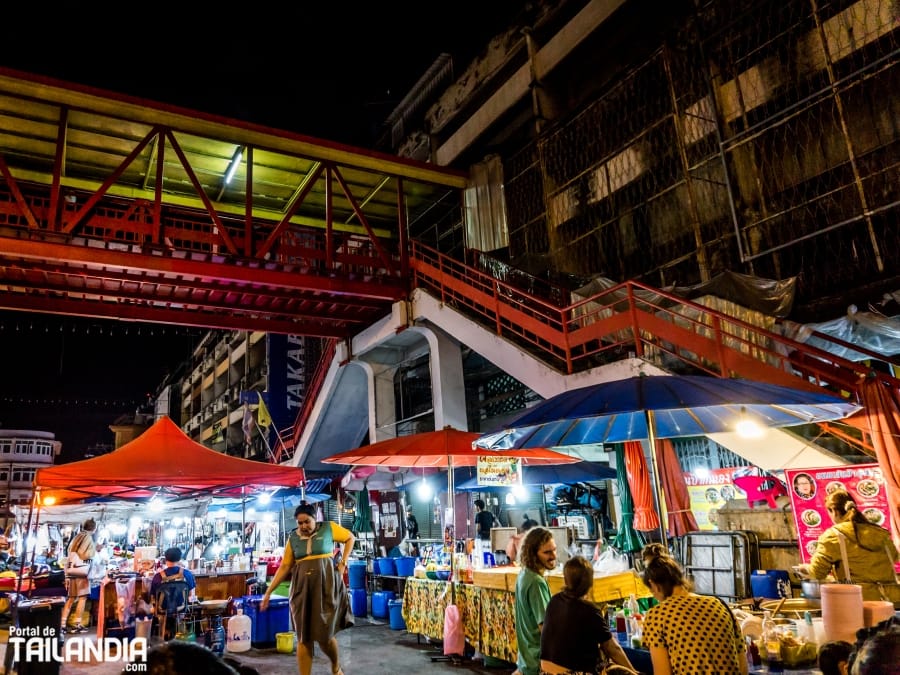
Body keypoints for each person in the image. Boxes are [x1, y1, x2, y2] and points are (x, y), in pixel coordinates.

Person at [260, 503, 355, 675]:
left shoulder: (328, 528)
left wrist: (343, 563)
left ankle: (335, 667)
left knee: (325, 637)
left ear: (315, 518)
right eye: (300, 523)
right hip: (301, 591)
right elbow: (285, 566)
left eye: (307, 522)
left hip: (326, 589)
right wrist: (268, 592)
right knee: (304, 638)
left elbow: (350, 538)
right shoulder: (293, 538)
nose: (303, 526)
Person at [640, 542, 748, 675]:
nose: (655, 597)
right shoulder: (720, 604)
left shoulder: (656, 616)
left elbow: (663, 673)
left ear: (654, 585)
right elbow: (743, 665)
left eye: (652, 592)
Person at [799, 489, 900, 606]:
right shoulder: (880, 533)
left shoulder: (833, 536)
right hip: (890, 602)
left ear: (834, 511)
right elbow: (894, 557)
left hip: (858, 603)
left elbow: (817, 573)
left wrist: (805, 569)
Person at [540, 555, 635, 674]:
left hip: (547, 671)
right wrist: (634, 672)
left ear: (566, 580)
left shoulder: (554, 601)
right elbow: (612, 648)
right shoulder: (590, 610)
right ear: (589, 582)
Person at [513, 526, 557, 675]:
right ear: (532, 554)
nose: (553, 556)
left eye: (554, 550)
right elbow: (546, 629)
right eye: (547, 552)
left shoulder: (524, 574)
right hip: (538, 661)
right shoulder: (536, 582)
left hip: (527, 658)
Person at [61, 517, 97, 634]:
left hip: (72, 569)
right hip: (81, 571)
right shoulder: (87, 537)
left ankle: (62, 624)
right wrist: (93, 551)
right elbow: (83, 553)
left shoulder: (77, 536)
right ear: (93, 528)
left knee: (71, 598)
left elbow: (70, 551)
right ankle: (77, 624)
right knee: (82, 597)